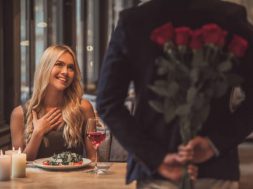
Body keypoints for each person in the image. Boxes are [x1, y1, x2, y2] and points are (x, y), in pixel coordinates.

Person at [96, 0, 253, 188]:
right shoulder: (230, 17)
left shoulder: (134, 21)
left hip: (158, 174)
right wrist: (214, 143)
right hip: (215, 171)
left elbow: (107, 103)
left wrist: (156, 158)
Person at [10, 45, 96, 161]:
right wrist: (38, 133)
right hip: (36, 179)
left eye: (70, 67)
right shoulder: (19, 114)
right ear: (45, 68)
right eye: (59, 64)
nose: (65, 72)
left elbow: (93, 158)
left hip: (75, 178)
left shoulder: (83, 108)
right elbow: (20, 166)